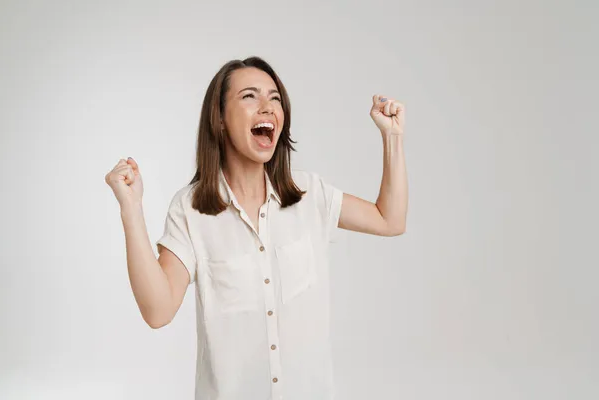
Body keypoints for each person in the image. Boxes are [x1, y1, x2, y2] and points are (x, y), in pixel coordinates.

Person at [105, 56, 408, 400]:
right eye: (249, 96)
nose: (267, 107)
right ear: (219, 119)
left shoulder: (311, 196)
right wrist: (130, 209)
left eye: (275, 98)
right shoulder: (190, 209)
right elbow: (158, 311)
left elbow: (390, 219)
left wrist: (392, 139)